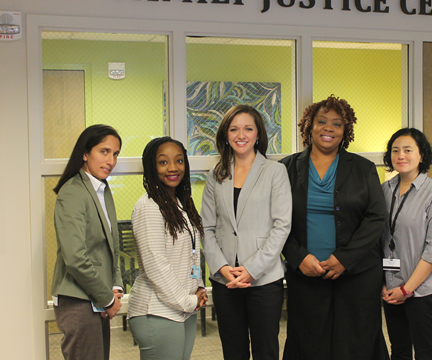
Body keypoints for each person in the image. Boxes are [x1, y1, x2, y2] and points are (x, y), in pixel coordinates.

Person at [280, 95, 389, 360]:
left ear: (345, 131)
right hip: (306, 274)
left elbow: (376, 217)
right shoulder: (286, 168)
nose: (329, 128)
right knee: (308, 343)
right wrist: (297, 257)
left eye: (337, 124)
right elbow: (275, 222)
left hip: (357, 276)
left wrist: (344, 259)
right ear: (309, 126)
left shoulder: (363, 168)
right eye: (322, 121)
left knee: (356, 344)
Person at [201, 104, 292, 360]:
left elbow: (281, 226)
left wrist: (252, 269)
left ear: (258, 134)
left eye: (248, 128)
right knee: (233, 351)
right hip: (226, 279)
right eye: (234, 129)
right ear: (226, 135)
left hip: (264, 280)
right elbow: (207, 227)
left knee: (266, 350)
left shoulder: (275, 172)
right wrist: (221, 267)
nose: (241, 135)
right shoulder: (215, 175)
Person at [128, 137, 208, 360]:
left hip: (182, 308)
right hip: (157, 311)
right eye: (163, 162)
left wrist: (198, 287)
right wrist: (189, 301)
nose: (173, 168)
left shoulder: (180, 203)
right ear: (151, 167)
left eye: (179, 161)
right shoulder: (149, 208)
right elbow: (157, 266)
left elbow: (190, 254)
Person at [51, 124, 124, 360]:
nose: (111, 160)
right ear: (85, 154)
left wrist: (116, 287)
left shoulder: (102, 190)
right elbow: (75, 257)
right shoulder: (72, 192)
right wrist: (107, 298)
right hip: (79, 301)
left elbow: (111, 248)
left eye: (115, 154)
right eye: (104, 151)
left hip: (96, 299)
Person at [381, 128, 432, 360]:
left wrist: (406, 290)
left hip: (420, 291)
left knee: (425, 353)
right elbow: (379, 239)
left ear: (421, 156)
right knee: (399, 351)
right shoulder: (385, 190)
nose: (401, 155)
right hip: (391, 287)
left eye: (408, 150)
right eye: (395, 150)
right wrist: (385, 284)